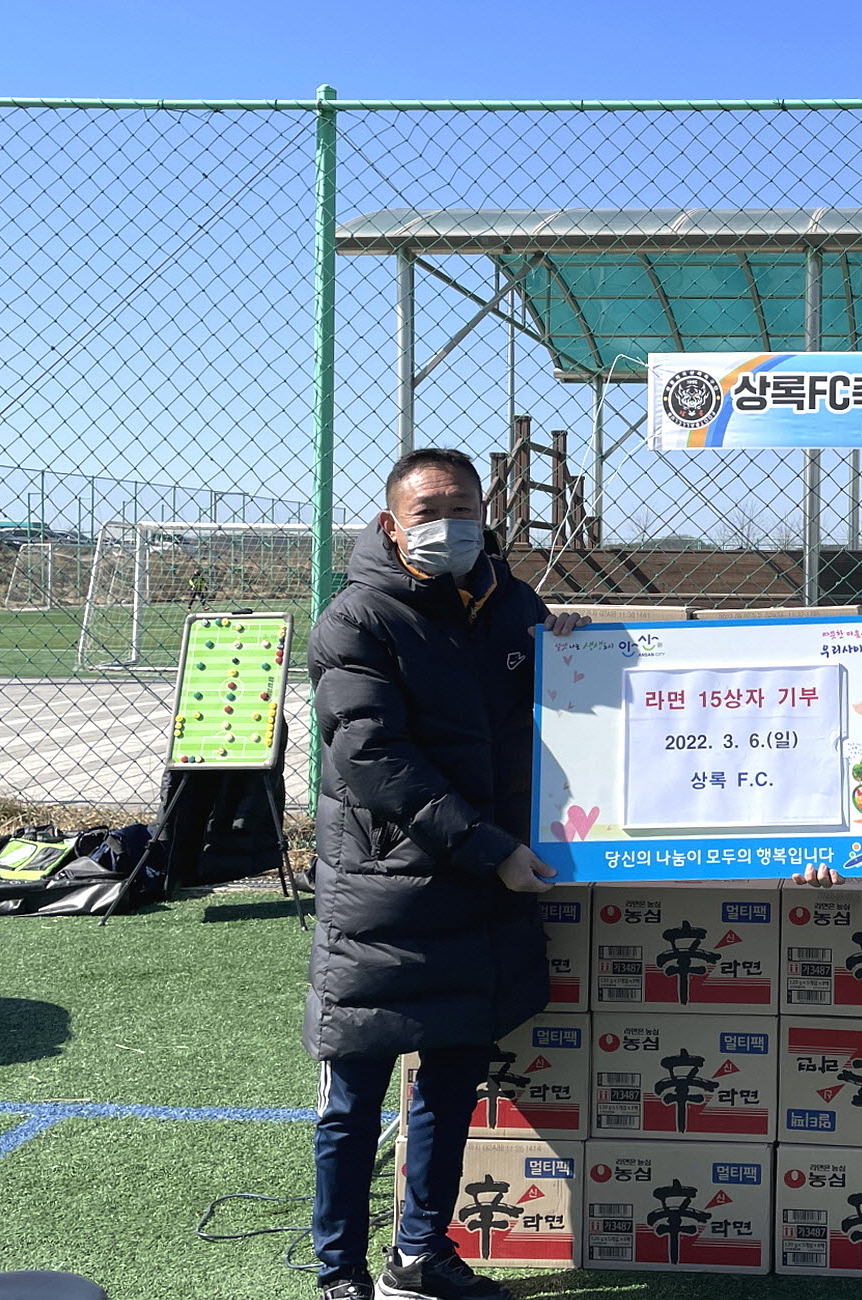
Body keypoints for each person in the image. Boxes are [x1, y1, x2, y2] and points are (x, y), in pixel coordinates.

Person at [306, 448, 584, 1300]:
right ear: (391, 525)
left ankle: (420, 1255)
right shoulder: (356, 619)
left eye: (462, 510)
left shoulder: (509, 606)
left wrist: (570, 651)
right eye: (427, 512)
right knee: (353, 1095)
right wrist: (491, 848)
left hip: (480, 885)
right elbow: (373, 758)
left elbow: (548, 713)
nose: (447, 527)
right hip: (385, 890)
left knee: (452, 1082)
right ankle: (339, 1271)